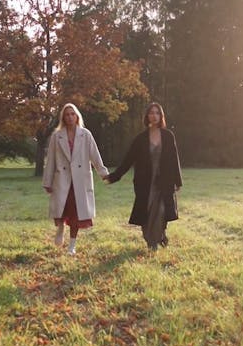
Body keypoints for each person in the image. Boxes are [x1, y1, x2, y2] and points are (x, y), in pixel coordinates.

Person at [105, 101, 182, 252]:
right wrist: (114, 176)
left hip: (164, 181)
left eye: (157, 113)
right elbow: (128, 159)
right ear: (147, 116)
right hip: (145, 182)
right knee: (146, 212)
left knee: (161, 210)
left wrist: (177, 181)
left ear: (161, 116)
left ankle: (159, 235)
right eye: (151, 113)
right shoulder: (140, 139)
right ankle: (151, 239)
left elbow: (174, 159)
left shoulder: (168, 136)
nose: (154, 116)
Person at [42, 103, 108, 255]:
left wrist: (103, 173)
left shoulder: (85, 134)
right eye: (67, 114)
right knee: (62, 208)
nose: (70, 117)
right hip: (62, 179)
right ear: (63, 118)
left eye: (73, 114)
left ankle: (72, 245)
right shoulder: (56, 136)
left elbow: (94, 155)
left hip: (80, 180)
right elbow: (50, 159)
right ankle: (60, 228)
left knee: (76, 213)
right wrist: (47, 181)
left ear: (77, 116)